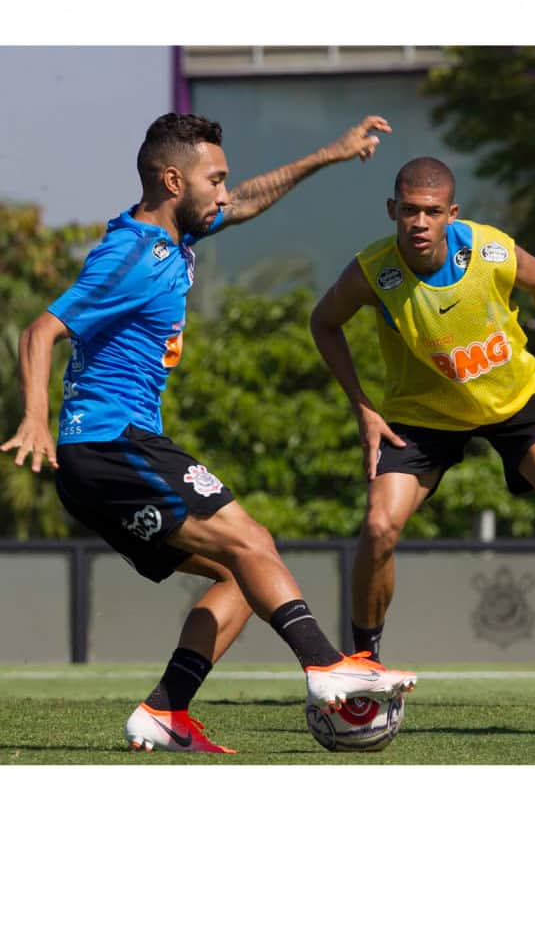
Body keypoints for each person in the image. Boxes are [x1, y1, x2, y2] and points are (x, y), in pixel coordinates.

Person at [1, 112, 417, 753]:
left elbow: (249, 201)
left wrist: (330, 153)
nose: (226, 192)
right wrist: (34, 418)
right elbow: (41, 330)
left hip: (106, 458)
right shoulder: (133, 252)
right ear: (173, 179)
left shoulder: (175, 235)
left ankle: (166, 710)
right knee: (251, 542)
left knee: (245, 573)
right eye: (215, 179)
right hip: (112, 443)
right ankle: (328, 666)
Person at [310, 156, 535, 705]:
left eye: (432, 212)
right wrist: (362, 407)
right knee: (377, 528)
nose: (419, 223)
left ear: (451, 214)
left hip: (514, 399)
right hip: (422, 414)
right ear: (392, 211)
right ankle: (365, 665)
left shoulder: (491, 250)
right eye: (410, 212)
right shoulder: (374, 271)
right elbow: (322, 324)